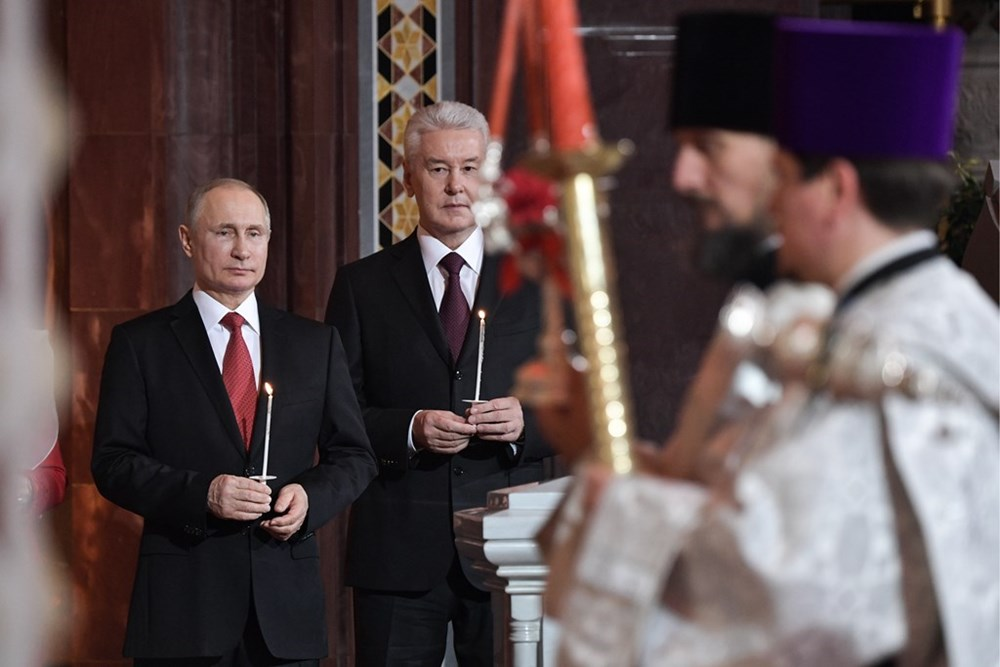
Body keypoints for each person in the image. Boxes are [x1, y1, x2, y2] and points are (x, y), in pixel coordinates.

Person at [556, 16, 998, 667]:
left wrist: (607, 493)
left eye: (786, 176)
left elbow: (789, 587)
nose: (775, 201)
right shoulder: (921, 315)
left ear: (836, 189)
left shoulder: (897, 343)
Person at [91, 178, 377, 666]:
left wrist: (310, 498)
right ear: (187, 239)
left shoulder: (315, 344)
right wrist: (204, 494)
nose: (242, 249)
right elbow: (113, 463)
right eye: (224, 232)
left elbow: (354, 455)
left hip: (285, 611)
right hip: (184, 609)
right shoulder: (141, 344)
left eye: (254, 233)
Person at [325, 101, 558, 666]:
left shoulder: (538, 278)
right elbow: (338, 414)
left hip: (512, 550)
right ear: (408, 179)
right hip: (396, 553)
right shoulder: (361, 286)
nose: (456, 185)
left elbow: (583, 401)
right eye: (437, 169)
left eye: (470, 168)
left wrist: (528, 421)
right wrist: (409, 428)